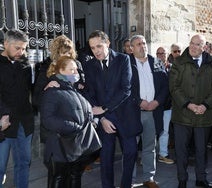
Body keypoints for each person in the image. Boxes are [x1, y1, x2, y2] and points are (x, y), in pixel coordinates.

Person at [82, 30, 142, 188]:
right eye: (93, 48)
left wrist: (104, 108)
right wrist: (102, 118)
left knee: (130, 154)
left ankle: (126, 185)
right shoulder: (89, 65)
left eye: (99, 46)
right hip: (105, 120)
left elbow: (126, 89)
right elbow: (89, 92)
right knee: (106, 158)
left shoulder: (123, 59)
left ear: (108, 43)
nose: (96, 51)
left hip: (125, 117)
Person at [169, 34, 212, 188]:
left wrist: (205, 105)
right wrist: (189, 105)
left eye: (197, 44)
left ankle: (201, 179)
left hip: (204, 114)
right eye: (191, 43)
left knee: (201, 150)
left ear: (204, 47)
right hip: (182, 114)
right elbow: (174, 87)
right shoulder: (178, 62)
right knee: (181, 151)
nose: (192, 46)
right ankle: (182, 180)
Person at [40, 56, 100, 188]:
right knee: (59, 178)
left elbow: (85, 110)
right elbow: (48, 119)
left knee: (75, 175)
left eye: (76, 70)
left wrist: (92, 121)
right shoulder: (52, 91)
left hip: (75, 145)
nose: (76, 73)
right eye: (71, 70)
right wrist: (75, 127)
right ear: (61, 71)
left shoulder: (75, 90)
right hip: (59, 145)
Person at [129, 35, 168, 188]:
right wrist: (139, 102)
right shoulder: (127, 63)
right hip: (133, 112)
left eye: (144, 43)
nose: (142, 46)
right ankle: (129, 179)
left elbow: (165, 86)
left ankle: (148, 178)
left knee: (150, 146)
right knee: (131, 147)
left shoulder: (156, 62)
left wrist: (157, 102)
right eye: (138, 44)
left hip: (153, 112)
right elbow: (124, 88)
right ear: (132, 48)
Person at [33, 35, 85, 143]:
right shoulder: (45, 68)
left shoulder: (77, 65)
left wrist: (81, 86)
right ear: (56, 53)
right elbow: (36, 99)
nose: (67, 56)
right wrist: (46, 88)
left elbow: (85, 90)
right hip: (55, 127)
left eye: (70, 53)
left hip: (75, 122)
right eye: (64, 52)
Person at [0, 29, 35, 188]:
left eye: (24, 48)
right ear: (5, 44)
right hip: (3, 123)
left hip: (24, 122)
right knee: (0, 166)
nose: (21, 52)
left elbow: (31, 89)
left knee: (24, 163)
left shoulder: (26, 63)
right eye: (17, 48)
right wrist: (4, 113)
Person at [155, 47, 174, 165]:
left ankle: (163, 154)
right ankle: (150, 156)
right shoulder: (152, 67)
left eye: (163, 53)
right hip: (155, 105)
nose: (161, 55)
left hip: (167, 106)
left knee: (165, 131)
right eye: (159, 53)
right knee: (152, 131)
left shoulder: (172, 67)